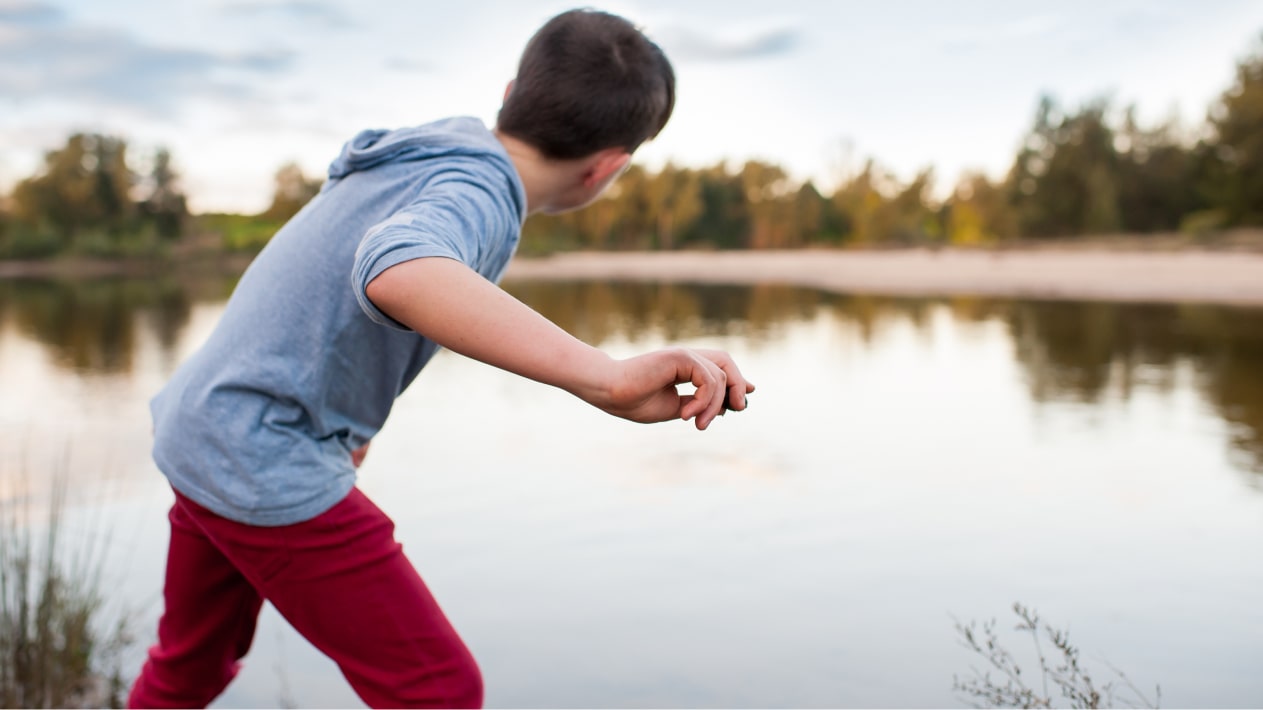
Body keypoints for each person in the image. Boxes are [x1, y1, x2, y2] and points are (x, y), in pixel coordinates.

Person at [127, 8, 754, 709]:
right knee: (437, 690)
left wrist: (347, 424)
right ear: (606, 170)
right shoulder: (481, 191)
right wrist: (603, 377)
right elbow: (396, 266)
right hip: (260, 449)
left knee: (191, 667)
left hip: (204, 426)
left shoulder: (430, 151)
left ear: (513, 88)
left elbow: (321, 300)